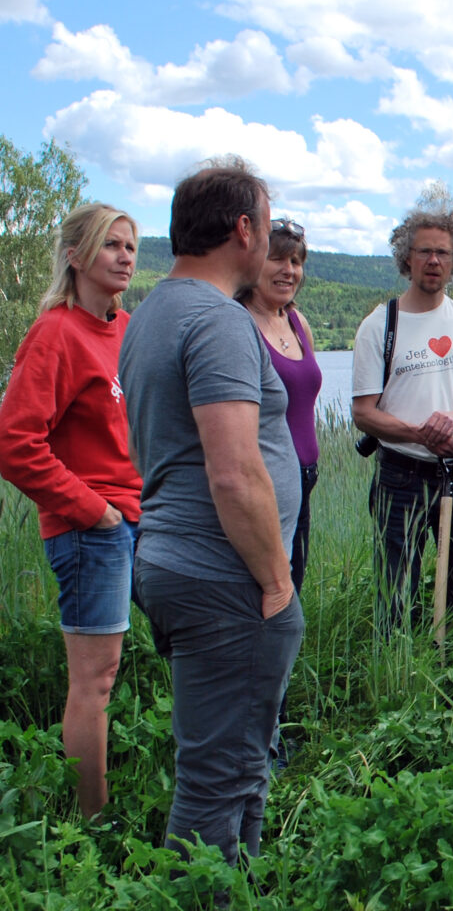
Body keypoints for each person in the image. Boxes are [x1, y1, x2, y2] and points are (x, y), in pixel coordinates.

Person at [119, 157, 303, 863]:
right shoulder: (217, 320)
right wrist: (277, 581)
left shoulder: (152, 312)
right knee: (215, 779)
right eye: (266, 221)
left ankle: (242, 883)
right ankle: (197, 890)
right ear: (243, 229)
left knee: (241, 759)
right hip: (224, 576)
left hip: (174, 559)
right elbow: (233, 474)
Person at [0, 203, 142, 820]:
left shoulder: (128, 329)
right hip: (92, 533)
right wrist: (94, 511)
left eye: (131, 246)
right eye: (111, 245)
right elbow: (14, 443)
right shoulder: (56, 332)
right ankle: (93, 824)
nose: (125, 256)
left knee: (150, 660)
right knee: (95, 682)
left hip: (140, 519)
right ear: (77, 256)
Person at [351, 195, 453, 637]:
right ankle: (398, 681)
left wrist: (450, 422)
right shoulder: (380, 325)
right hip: (400, 478)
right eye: (424, 251)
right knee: (394, 591)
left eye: (443, 253)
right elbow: (363, 414)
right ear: (407, 259)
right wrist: (420, 433)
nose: (434, 261)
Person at [238, 217, 321, 769]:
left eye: (296, 261)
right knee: (264, 609)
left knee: (287, 605)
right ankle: (254, 744)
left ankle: (271, 729)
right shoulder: (239, 324)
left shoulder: (296, 321)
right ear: (252, 262)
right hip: (263, 487)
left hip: (302, 483)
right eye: (277, 258)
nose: (288, 270)